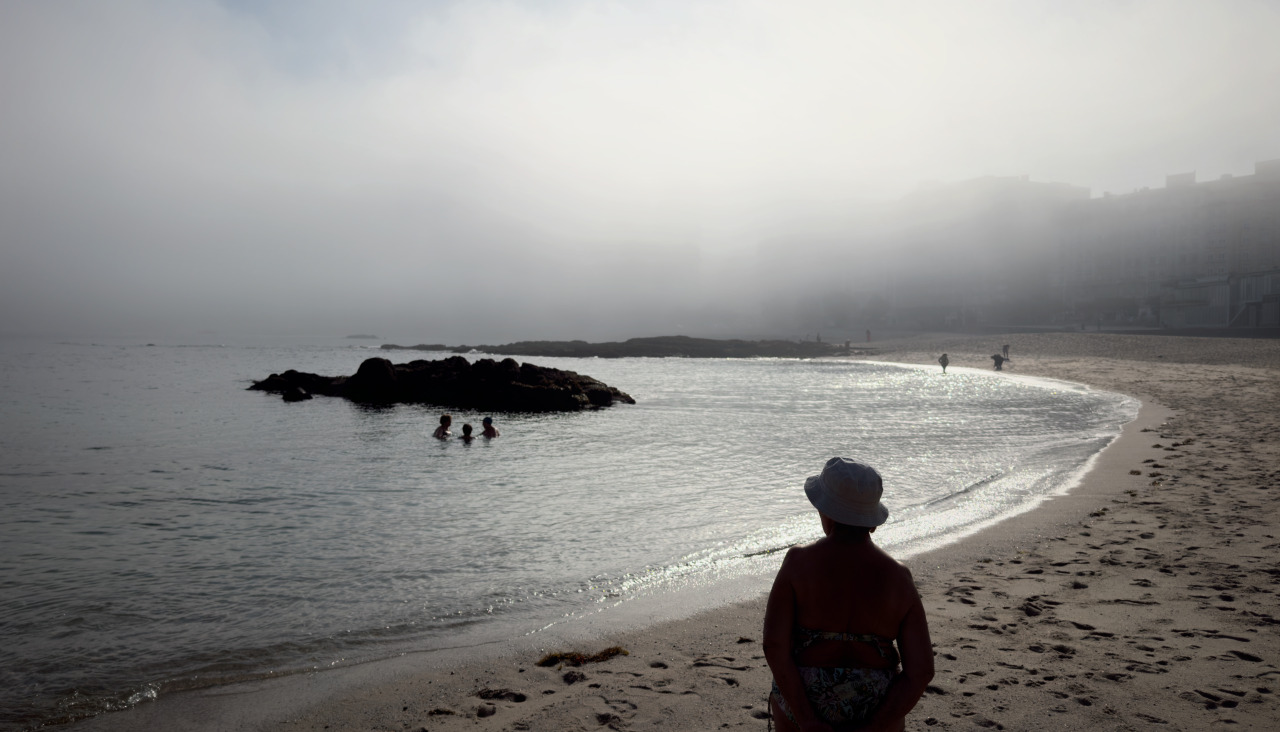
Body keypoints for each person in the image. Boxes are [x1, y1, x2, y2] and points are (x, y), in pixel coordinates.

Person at [764, 458, 933, 731]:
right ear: (872, 522)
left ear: (825, 512)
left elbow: (774, 646)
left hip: (807, 697)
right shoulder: (898, 577)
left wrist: (807, 719)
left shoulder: (798, 563)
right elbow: (922, 670)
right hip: (874, 701)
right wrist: (874, 726)